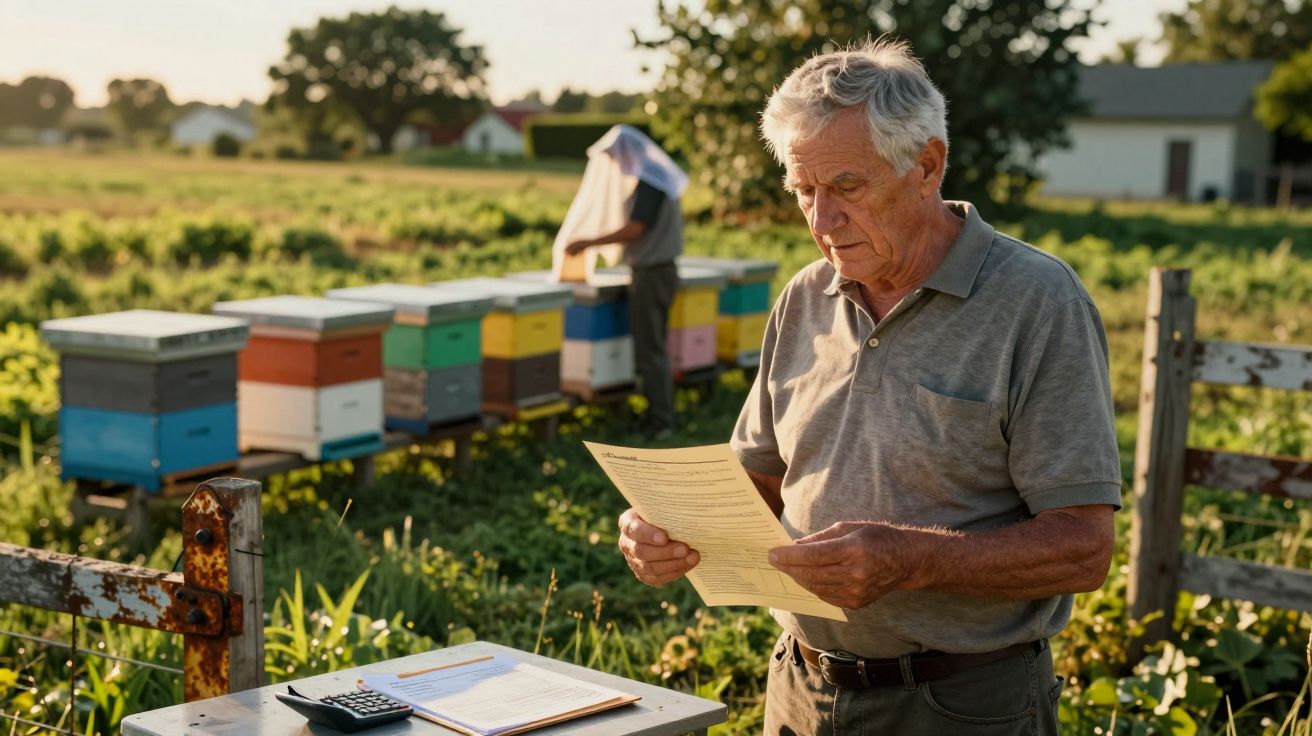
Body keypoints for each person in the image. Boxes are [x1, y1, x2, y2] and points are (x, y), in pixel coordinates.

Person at [614, 40, 1120, 734]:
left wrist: (909, 560)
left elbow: (1083, 547)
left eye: (847, 187)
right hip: (800, 686)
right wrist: (668, 529)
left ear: (927, 165)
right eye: (804, 192)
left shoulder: (1036, 301)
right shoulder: (803, 297)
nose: (821, 221)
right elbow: (758, 483)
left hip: (961, 704)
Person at [563, 126, 686, 438]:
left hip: (653, 274)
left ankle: (661, 422)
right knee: (651, 347)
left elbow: (634, 229)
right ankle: (656, 416)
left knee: (651, 350)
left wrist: (587, 242)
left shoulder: (650, 181)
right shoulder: (654, 177)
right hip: (655, 270)